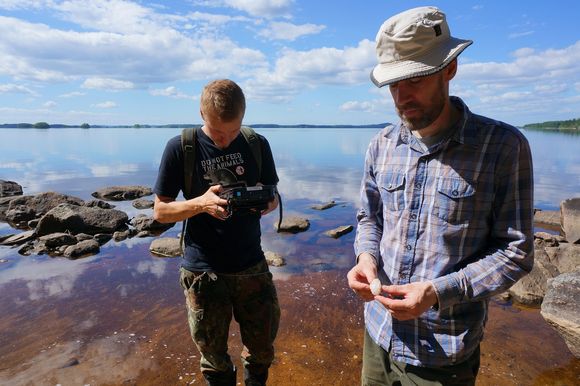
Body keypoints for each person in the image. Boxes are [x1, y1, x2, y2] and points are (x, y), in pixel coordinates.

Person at [347, 6, 534, 386]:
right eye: (393, 84)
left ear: (450, 69)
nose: (402, 96)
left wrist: (435, 293)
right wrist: (366, 258)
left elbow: (515, 252)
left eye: (414, 79)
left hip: (443, 353)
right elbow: (370, 219)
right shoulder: (381, 145)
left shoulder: (502, 147)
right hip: (378, 335)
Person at [153, 79, 280, 386]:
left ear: (244, 117)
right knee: (214, 358)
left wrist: (266, 203)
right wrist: (201, 203)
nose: (225, 140)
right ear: (201, 113)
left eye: (233, 132)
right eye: (217, 132)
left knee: (262, 350)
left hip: (251, 264)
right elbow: (160, 211)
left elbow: (274, 195)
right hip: (203, 271)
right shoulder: (181, 147)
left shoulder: (256, 143)